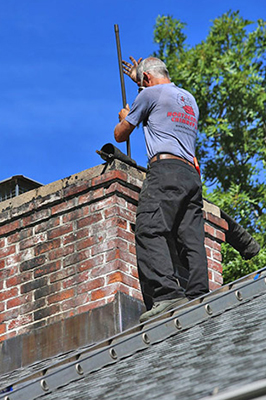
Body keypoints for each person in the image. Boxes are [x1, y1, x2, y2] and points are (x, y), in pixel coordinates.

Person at [114, 56, 209, 323]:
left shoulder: (149, 94)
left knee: (149, 227)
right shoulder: (187, 99)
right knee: (191, 237)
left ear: (146, 80)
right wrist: (140, 80)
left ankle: (167, 295)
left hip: (164, 171)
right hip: (190, 174)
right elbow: (159, 103)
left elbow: (121, 134)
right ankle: (199, 292)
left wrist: (125, 116)